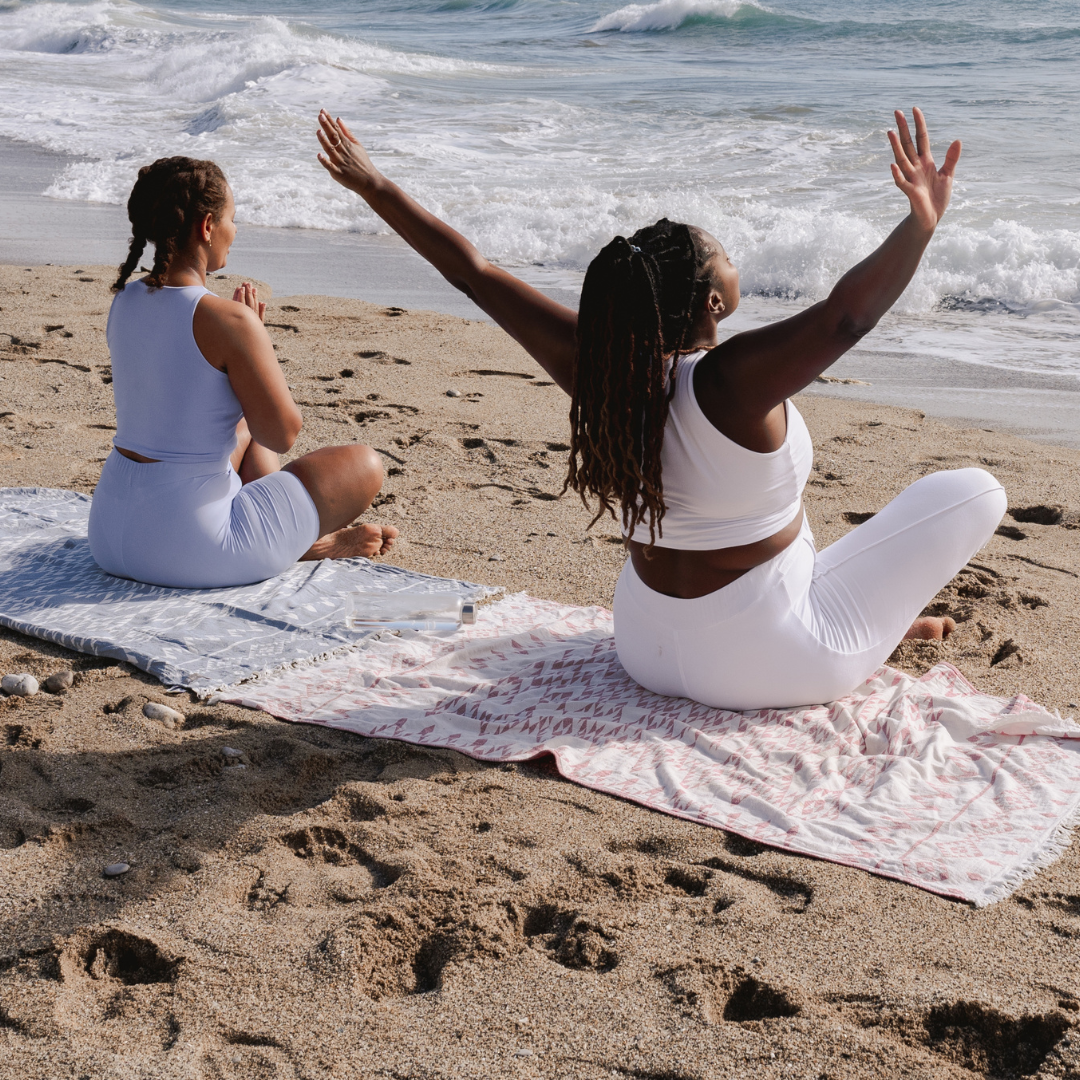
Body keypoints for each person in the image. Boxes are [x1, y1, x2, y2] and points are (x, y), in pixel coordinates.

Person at [314, 107, 1006, 710]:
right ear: (713, 302)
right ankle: (856, 634)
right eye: (725, 257)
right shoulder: (730, 381)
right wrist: (920, 226)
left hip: (644, 644)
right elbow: (844, 319)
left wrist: (375, 185)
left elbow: (473, 273)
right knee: (978, 490)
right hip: (766, 657)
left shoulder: (600, 371)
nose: (734, 263)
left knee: (788, 538)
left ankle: (866, 625)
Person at [88, 156, 397, 589]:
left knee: (240, 437)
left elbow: (186, 410)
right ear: (208, 225)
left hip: (110, 535)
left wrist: (241, 358)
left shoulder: (126, 300)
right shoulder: (229, 321)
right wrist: (253, 346)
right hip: (191, 551)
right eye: (233, 219)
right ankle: (300, 543)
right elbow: (282, 434)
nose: (236, 231)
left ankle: (289, 539)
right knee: (364, 464)